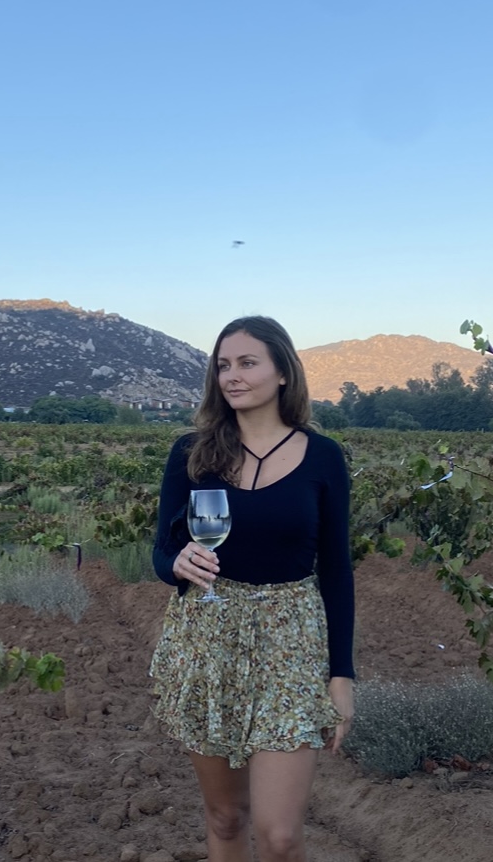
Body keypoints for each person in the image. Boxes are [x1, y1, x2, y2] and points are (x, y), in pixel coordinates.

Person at [149, 316, 355, 862]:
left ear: (283, 371)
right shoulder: (192, 453)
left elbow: (336, 569)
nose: (231, 377)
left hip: (292, 644)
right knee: (226, 818)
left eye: (246, 363)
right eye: (222, 366)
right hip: (209, 639)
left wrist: (341, 674)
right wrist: (179, 563)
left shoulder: (324, 457)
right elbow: (160, 553)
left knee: (281, 837)